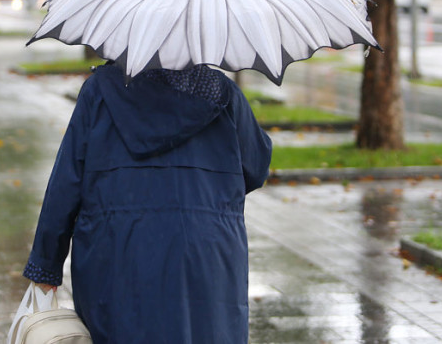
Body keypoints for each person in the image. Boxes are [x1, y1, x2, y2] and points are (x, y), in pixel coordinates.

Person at [21, 63, 272, 344]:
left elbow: (66, 181)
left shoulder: (101, 89)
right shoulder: (222, 92)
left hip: (117, 247)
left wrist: (46, 265)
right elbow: (256, 166)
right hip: (205, 251)